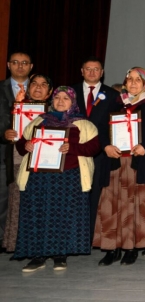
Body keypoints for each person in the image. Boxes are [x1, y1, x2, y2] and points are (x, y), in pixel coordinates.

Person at [13, 86, 100, 272]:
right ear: (52, 101)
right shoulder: (39, 120)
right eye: (57, 98)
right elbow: (22, 143)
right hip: (39, 178)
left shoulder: (83, 123)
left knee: (63, 217)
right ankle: (38, 256)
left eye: (65, 98)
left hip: (69, 178)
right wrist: (25, 145)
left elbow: (94, 148)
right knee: (38, 215)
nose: (61, 101)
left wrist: (73, 149)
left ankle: (61, 255)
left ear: (73, 102)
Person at [93, 67, 145, 266]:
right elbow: (100, 129)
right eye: (130, 79)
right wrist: (106, 146)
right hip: (115, 163)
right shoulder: (114, 103)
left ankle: (131, 247)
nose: (134, 83)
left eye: (138, 80)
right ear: (125, 82)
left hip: (141, 163)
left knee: (136, 206)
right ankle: (112, 248)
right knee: (113, 206)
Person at [72, 57, 123, 240]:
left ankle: (89, 235)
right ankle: (72, 233)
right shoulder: (70, 92)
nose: (92, 72)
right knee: (74, 193)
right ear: (82, 71)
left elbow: (115, 125)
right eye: (88, 69)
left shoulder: (113, 95)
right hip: (73, 153)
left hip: (101, 153)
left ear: (102, 72)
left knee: (95, 194)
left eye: (96, 69)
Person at [2, 74, 53, 253]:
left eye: (43, 84)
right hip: (19, 162)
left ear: (49, 91)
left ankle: (41, 246)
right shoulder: (15, 107)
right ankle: (16, 244)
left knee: (42, 206)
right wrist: (6, 133)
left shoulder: (57, 110)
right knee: (17, 204)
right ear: (28, 87)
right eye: (34, 84)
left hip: (45, 165)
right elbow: (5, 130)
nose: (38, 88)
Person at [0, 52, 33, 253]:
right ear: (8, 65)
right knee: (3, 198)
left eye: (24, 63)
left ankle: (26, 239)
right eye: (15, 62)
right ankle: (3, 240)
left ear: (31, 66)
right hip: (4, 152)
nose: (20, 66)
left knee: (28, 198)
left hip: (33, 152)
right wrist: (3, 133)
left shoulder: (41, 89)